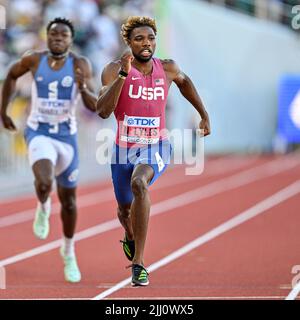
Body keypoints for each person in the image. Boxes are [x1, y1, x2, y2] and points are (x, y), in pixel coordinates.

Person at [96, 16, 211, 286]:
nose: (146, 44)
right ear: (129, 43)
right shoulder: (113, 70)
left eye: (150, 38)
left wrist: (203, 114)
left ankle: (139, 264)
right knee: (125, 211)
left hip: (156, 144)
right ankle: (130, 236)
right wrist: (123, 76)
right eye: (139, 39)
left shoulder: (168, 67)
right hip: (123, 149)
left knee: (140, 183)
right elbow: (103, 111)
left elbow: (184, 83)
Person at [0, 18, 97, 283]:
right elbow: (10, 75)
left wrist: (83, 87)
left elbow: (94, 106)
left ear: (70, 39)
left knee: (69, 202)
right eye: (53, 34)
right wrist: (3, 111)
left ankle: (68, 251)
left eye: (63, 35)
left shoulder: (80, 65)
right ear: (47, 37)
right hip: (39, 132)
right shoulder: (34, 60)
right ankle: (43, 205)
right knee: (44, 182)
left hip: (67, 138)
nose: (57, 38)